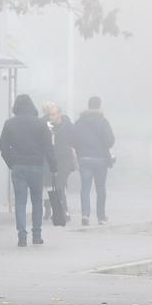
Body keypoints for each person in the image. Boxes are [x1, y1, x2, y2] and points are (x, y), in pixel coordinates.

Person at [0, 94, 54, 247]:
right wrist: (53, 166)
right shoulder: (41, 124)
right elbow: (48, 147)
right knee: (37, 201)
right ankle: (37, 235)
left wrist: (11, 162)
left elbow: (3, 146)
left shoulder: (9, 123)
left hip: (18, 167)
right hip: (37, 166)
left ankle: (22, 236)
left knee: (20, 202)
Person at [75, 96, 116, 225]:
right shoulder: (103, 121)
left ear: (88, 106)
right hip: (100, 159)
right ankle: (101, 217)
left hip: (84, 158)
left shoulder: (80, 121)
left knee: (85, 188)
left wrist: (80, 150)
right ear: (99, 106)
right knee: (100, 187)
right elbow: (110, 140)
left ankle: (85, 215)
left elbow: (73, 139)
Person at [42, 102, 77, 228]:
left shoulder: (67, 125)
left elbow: (74, 139)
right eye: (49, 114)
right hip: (49, 159)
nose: (51, 117)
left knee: (60, 185)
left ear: (59, 114)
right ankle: (58, 212)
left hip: (64, 159)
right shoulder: (44, 124)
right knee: (51, 186)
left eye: (53, 114)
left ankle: (64, 212)